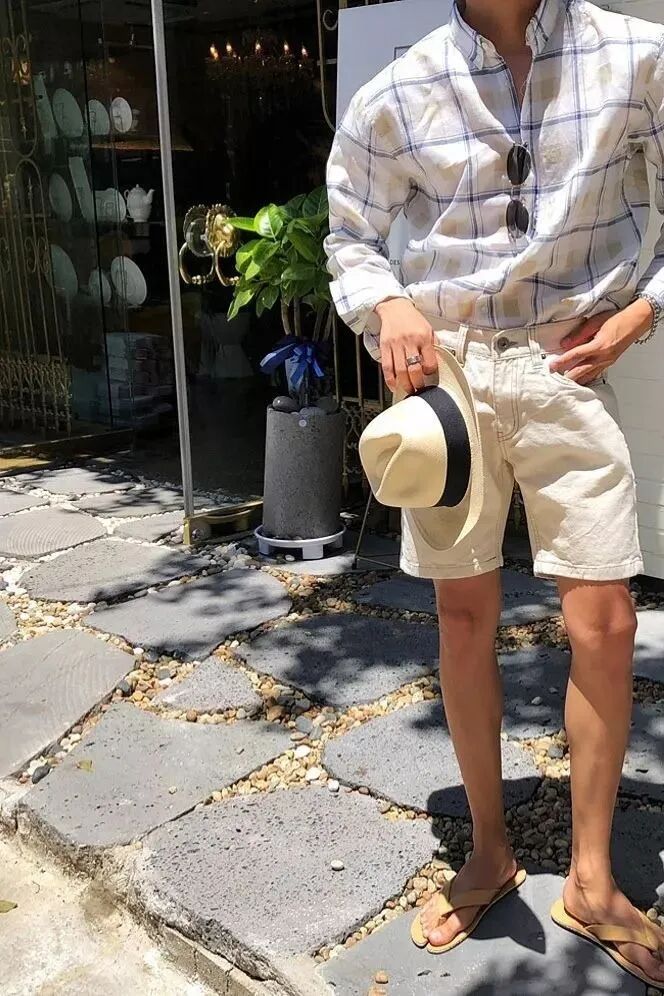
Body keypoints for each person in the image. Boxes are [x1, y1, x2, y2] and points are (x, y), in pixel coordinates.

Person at [324, 0, 664, 986]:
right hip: (452, 382)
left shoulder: (637, 55)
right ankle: (487, 849)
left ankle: (592, 881)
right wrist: (388, 303)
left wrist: (640, 313)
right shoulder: (402, 86)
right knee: (463, 614)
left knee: (604, 621)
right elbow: (350, 232)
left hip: (568, 363)